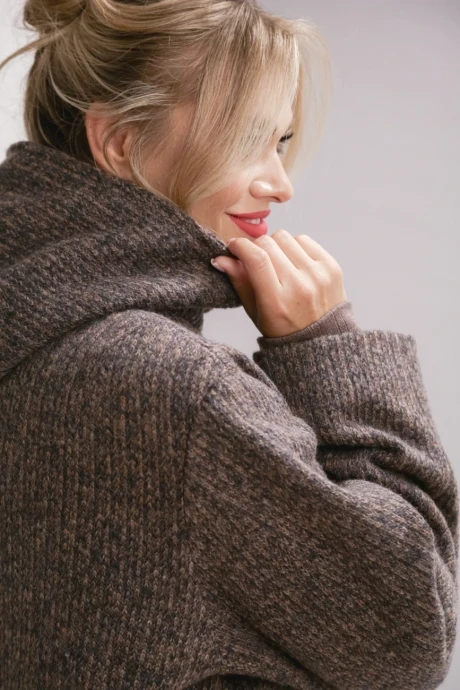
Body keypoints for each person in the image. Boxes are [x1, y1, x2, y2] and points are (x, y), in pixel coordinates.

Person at [0, 1, 457, 689]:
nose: (282, 183)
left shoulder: (37, 330)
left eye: (281, 141)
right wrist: (326, 346)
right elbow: (407, 635)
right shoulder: (178, 390)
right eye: (249, 139)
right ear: (120, 142)